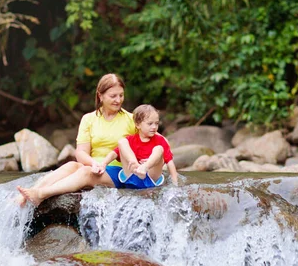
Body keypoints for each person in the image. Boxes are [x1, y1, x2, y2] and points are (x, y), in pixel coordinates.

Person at [17, 73, 136, 206]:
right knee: (71, 165)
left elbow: (152, 141)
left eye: (121, 95)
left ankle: (42, 194)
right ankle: (30, 193)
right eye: (113, 96)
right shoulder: (88, 119)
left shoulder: (132, 120)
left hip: (119, 173)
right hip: (94, 168)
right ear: (100, 96)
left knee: (85, 171)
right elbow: (80, 153)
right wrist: (94, 164)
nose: (118, 100)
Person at [100, 104, 178, 188]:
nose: (154, 127)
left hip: (151, 177)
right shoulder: (131, 140)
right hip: (131, 175)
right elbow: (114, 153)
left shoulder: (160, 140)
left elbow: (170, 162)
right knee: (122, 142)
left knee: (158, 148)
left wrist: (175, 184)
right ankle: (136, 166)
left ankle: (144, 168)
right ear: (137, 125)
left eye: (157, 123)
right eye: (150, 123)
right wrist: (103, 164)